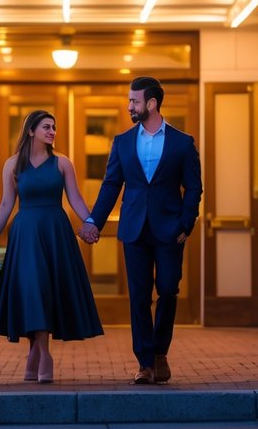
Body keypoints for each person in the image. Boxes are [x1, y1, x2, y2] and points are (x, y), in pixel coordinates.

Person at [80, 76, 202, 385]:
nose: (129, 106)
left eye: (134, 101)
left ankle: (161, 352)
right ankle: (146, 363)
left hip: (170, 230)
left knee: (168, 289)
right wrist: (94, 220)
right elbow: (111, 184)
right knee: (138, 296)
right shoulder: (122, 141)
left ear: (151, 103)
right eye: (129, 100)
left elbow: (194, 187)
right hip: (133, 229)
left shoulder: (182, 142)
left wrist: (186, 223)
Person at [0, 109, 103, 383]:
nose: (52, 131)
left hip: (56, 233)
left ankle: (36, 353)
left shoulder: (62, 163)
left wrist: (93, 223)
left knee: (47, 291)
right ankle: (43, 354)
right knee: (33, 290)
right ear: (31, 131)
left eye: (54, 127)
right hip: (25, 236)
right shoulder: (12, 164)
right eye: (46, 127)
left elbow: (76, 200)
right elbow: (5, 205)